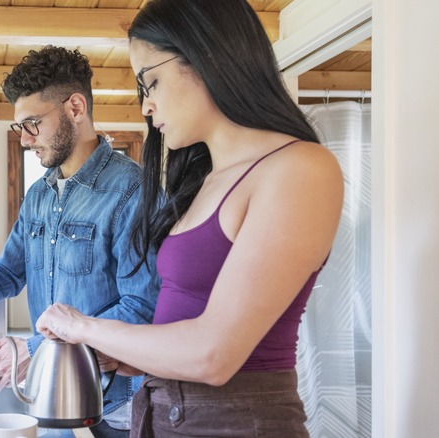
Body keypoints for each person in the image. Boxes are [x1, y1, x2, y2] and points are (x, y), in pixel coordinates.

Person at [35, 1, 345, 437]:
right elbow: (187, 326)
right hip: (165, 414)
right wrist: (121, 354)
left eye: (152, 81)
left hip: (234, 424)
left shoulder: (299, 169)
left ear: (207, 57)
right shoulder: (204, 181)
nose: (146, 106)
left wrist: (85, 325)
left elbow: (213, 355)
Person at [0, 45, 161, 436]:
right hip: (47, 393)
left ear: (75, 107)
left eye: (32, 122)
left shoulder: (132, 190)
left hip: (111, 405)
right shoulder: (38, 195)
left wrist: (35, 349)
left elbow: (143, 309)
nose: (24, 139)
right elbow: (11, 270)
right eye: (20, 127)